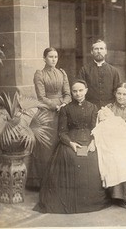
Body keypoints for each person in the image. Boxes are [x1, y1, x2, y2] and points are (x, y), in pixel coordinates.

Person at [33, 80, 111, 213]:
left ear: (86, 90)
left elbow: (95, 128)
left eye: (81, 90)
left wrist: (93, 142)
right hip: (71, 141)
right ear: (71, 93)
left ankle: (89, 201)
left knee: (92, 159)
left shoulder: (93, 107)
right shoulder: (65, 109)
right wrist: (71, 143)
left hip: (89, 140)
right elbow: (62, 132)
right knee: (70, 157)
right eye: (75, 91)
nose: (78, 93)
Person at [27, 47, 71, 188]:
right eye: (50, 56)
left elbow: (68, 93)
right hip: (47, 111)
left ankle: (61, 180)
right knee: (47, 147)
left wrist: (64, 104)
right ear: (44, 58)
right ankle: (43, 181)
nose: (53, 59)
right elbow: (41, 96)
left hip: (62, 110)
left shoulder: (62, 73)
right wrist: (54, 106)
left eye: (55, 57)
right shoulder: (39, 74)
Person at [76, 39, 120, 109]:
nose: (99, 51)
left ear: (106, 51)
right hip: (89, 109)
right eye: (96, 49)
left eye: (101, 49)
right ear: (92, 52)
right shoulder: (84, 70)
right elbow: (79, 90)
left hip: (109, 109)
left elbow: (117, 92)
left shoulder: (114, 71)